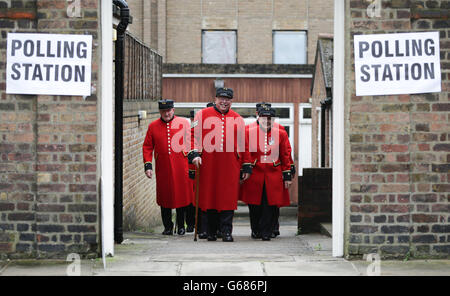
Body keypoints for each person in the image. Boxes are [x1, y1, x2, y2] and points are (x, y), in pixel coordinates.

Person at [188, 87, 252, 242]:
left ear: (231, 101)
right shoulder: (202, 115)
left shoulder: (237, 118)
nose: (224, 102)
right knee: (209, 197)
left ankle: (226, 232)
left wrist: (246, 164)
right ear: (215, 99)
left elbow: (244, 143)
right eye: (221, 98)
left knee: (228, 199)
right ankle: (210, 231)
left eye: (227, 99)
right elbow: (192, 136)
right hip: (208, 164)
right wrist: (195, 153)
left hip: (230, 165)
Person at [240, 106, 292, 241]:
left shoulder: (280, 133)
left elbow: (285, 154)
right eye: (264, 118)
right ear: (259, 117)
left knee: (270, 204)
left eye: (269, 118)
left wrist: (287, 175)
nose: (266, 121)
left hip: (273, 174)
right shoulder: (249, 132)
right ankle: (255, 229)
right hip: (255, 173)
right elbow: (244, 152)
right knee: (254, 204)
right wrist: (245, 169)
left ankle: (266, 231)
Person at [143, 99, 194, 235]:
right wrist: (148, 165)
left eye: (169, 110)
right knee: (164, 197)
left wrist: (192, 156)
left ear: (173, 110)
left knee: (181, 196)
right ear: (160, 111)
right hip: (163, 167)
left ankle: (181, 226)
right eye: (163, 111)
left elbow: (190, 141)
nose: (166, 113)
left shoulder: (183, 123)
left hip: (181, 165)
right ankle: (168, 226)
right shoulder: (153, 126)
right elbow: (147, 146)